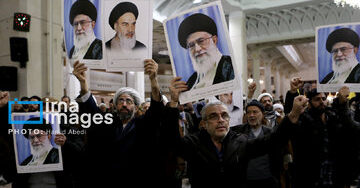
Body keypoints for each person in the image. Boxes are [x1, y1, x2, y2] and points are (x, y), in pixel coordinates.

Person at [166, 76, 308, 188]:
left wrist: (294, 115)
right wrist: (173, 102)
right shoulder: (193, 143)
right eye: (214, 116)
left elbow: (273, 140)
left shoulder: (240, 141)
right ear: (203, 123)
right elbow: (172, 140)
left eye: (224, 115)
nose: (221, 120)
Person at [72, 59, 176, 188]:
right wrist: (83, 83)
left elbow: (156, 110)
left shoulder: (143, 124)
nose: (124, 104)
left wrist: (153, 80)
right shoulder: (106, 121)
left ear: (137, 108)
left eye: (129, 101)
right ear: (115, 106)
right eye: (120, 101)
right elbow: (91, 111)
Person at [285, 84, 360, 187]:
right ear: (310, 103)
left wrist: (342, 103)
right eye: (317, 99)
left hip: (334, 176)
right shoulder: (304, 121)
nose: (321, 102)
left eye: (323, 98)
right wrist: (292, 93)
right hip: (312, 177)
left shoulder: (333, 119)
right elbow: (291, 118)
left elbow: (351, 128)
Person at [178, 13, 234, 90]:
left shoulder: (230, 67)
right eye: (191, 45)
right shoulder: (192, 80)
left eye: (201, 41)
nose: (197, 49)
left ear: (214, 40)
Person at [232, 100, 280, 188]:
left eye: (255, 112)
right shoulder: (238, 131)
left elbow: (277, 155)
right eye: (249, 112)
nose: (251, 115)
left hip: (267, 178)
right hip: (246, 180)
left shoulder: (270, 132)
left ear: (263, 114)